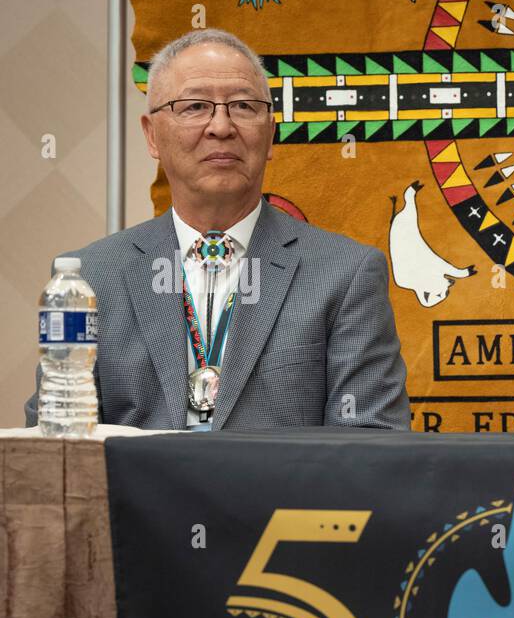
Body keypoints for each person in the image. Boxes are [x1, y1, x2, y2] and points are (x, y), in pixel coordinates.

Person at [23, 28, 409, 431]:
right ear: (152, 135)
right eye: (194, 107)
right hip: (137, 495)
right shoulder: (90, 279)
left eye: (243, 106)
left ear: (271, 133)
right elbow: (56, 443)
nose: (221, 127)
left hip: (278, 495)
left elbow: (369, 444)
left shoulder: (345, 273)